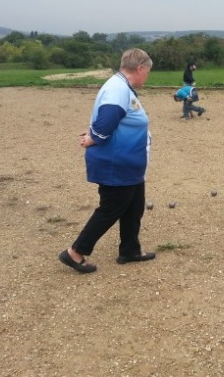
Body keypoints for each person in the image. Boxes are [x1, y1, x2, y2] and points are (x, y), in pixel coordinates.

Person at [59, 48, 155, 274]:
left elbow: (112, 121)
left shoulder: (121, 86)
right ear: (140, 68)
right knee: (111, 209)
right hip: (116, 164)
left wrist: (95, 133)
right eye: (147, 72)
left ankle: (130, 250)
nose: (147, 76)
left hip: (129, 164)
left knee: (134, 206)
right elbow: (107, 120)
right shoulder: (118, 89)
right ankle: (75, 252)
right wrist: (94, 137)